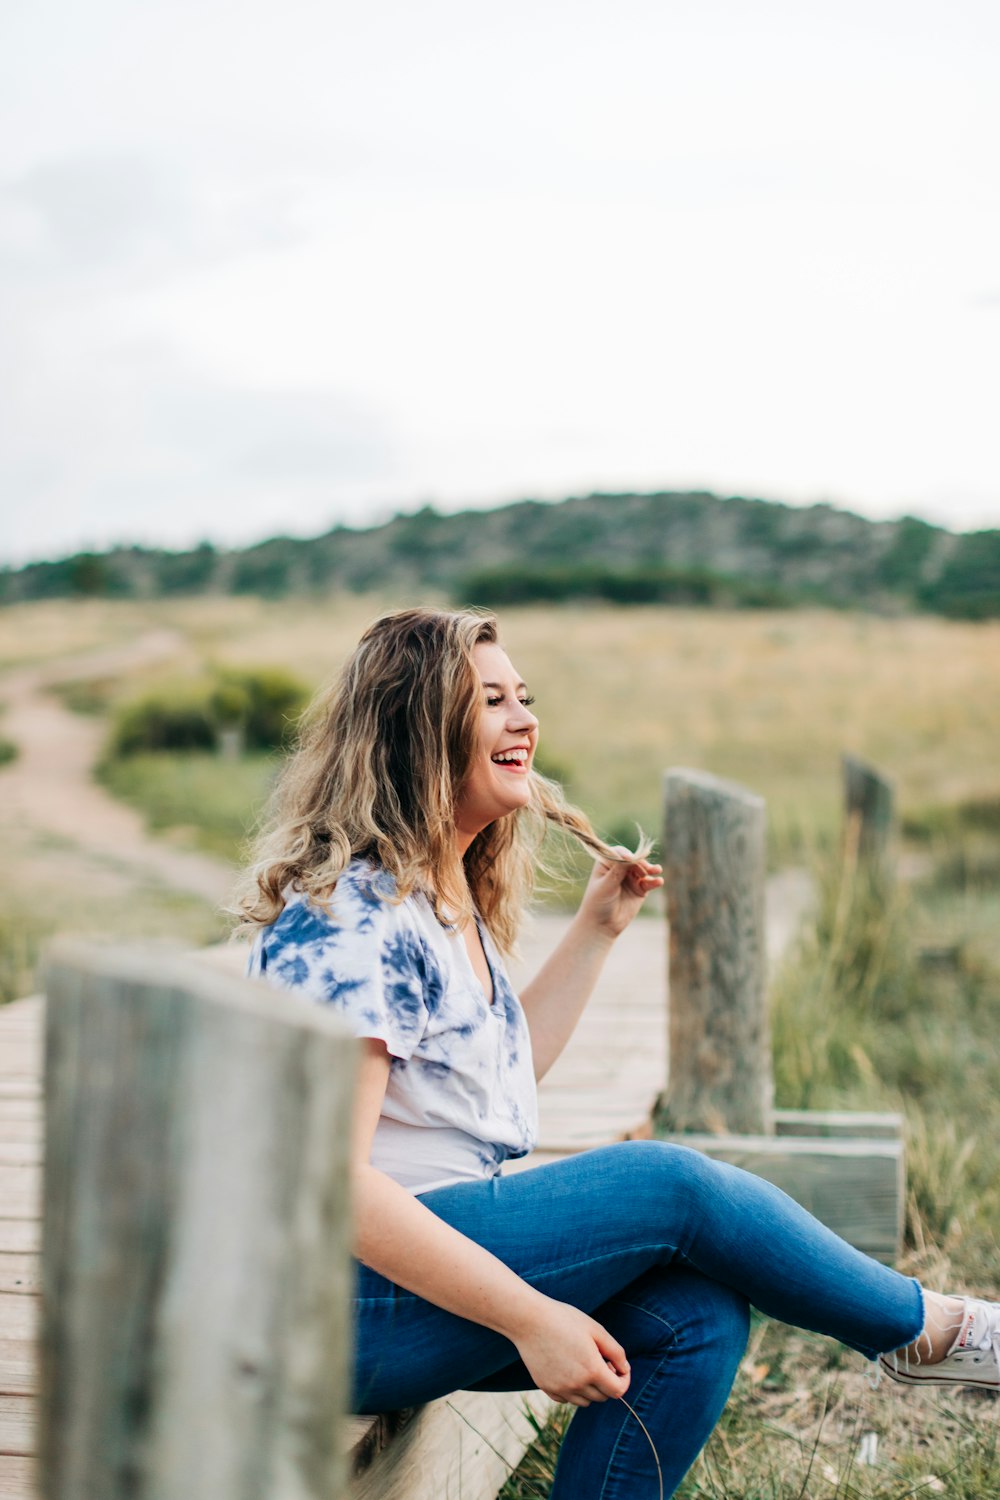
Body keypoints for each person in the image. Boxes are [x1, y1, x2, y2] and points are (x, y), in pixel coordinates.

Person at [237, 606, 1000, 1499]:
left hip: (398, 1276)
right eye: (491, 701)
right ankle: (934, 1331)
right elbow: (329, 1178)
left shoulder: (435, 905)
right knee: (668, 1186)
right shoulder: (349, 918)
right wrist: (529, 1318)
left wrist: (596, 929)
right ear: (416, 729)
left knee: (696, 1318)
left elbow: (496, 1086)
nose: (525, 719)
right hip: (327, 1303)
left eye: (525, 697)